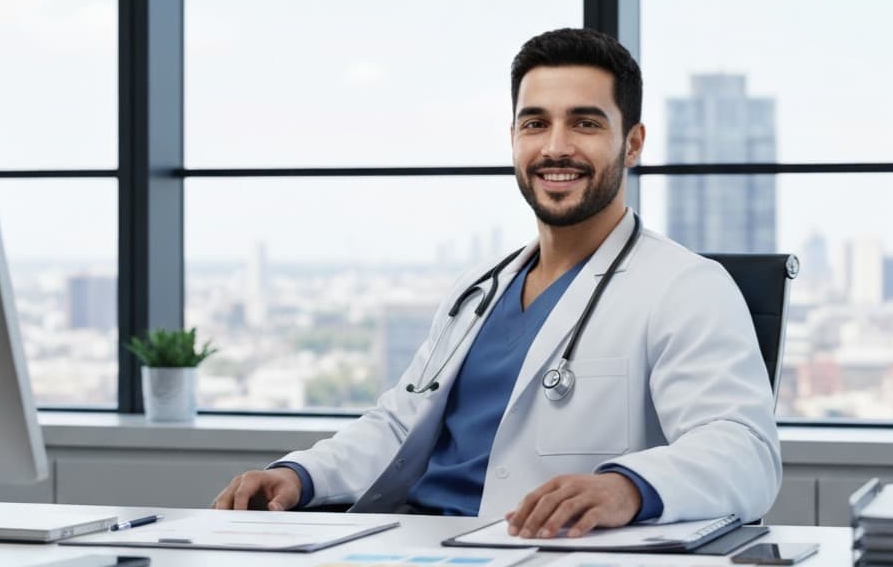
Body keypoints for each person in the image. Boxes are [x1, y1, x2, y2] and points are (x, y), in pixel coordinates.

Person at [213, 28, 781, 539]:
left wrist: (626, 487)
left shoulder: (685, 287)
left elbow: (744, 451)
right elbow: (398, 424)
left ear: (632, 143)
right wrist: (299, 474)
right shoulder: (478, 289)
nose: (555, 147)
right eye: (535, 124)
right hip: (412, 543)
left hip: (537, 551)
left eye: (585, 123)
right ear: (513, 138)